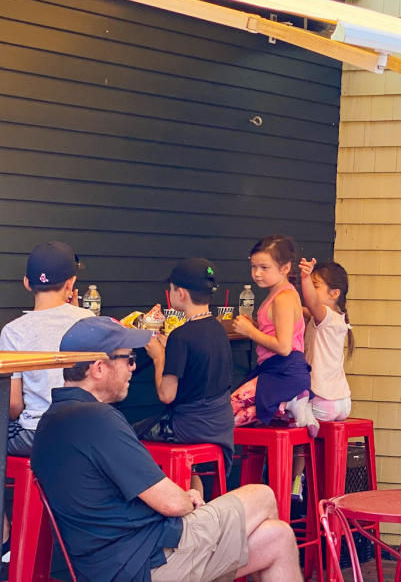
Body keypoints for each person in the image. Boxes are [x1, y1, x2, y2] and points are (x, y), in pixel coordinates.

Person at [32, 316, 301, 582]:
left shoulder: (53, 420)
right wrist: (187, 499)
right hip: (148, 560)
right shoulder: (98, 419)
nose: (133, 369)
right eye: (129, 359)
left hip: (117, 560)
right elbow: (173, 504)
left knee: (278, 537)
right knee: (262, 494)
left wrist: (178, 499)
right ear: (99, 367)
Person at [139, 258, 235, 488]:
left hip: (190, 427)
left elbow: (166, 395)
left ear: (180, 293)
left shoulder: (181, 336)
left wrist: (159, 356)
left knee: (130, 435)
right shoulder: (219, 330)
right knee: (184, 460)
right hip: (220, 425)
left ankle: (163, 508)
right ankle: (195, 498)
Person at [0, 241, 93, 457]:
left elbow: (13, 406)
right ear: (71, 283)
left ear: (26, 283)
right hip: (84, 431)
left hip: (36, 434)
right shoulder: (88, 321)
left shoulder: (13, 331)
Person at [230, 236, 311, 429]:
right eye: (253, 267)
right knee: (237, 417)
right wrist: (257, 326)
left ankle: (286, 404)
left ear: (285, 268)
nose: (257, 273)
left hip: (283, 371)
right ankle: (285, 407)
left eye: (264, 268)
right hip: (277, 370)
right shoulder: (282, 293)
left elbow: (283, 347)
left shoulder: (282, 298)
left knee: (225, 415)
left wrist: (249, 331)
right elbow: (278, 332)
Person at [297, 258, 354, 426]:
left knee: (284, 413)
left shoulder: (325, 316)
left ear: (334, 294)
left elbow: (312, 304)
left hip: (322, 401)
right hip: (343, 401)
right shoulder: (337, 318)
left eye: (316, 286)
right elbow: (306, 310)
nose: (309, 290)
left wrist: (305, 277)